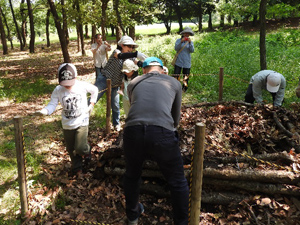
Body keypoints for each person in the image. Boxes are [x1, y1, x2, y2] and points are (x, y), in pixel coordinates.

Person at [123, 57, 189, 225]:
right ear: (161, 69)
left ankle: (132, 217)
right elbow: (175, 119)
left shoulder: (134, 82)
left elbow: (134, 107)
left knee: (132, 175)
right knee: (178, 181)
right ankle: (181, 222)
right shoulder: (174, 83)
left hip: (133, 131)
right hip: (162, 132)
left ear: (144, 70)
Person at [34, 63, 98, 176]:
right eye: (65, 84)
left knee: (80, 147)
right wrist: (45, 111)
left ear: (75, 78)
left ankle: (86, 150)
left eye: (70, 83)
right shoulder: (58, 90)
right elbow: (52, 104)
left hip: (82, 120)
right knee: (70, 148)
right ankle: (77, 168)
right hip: (67, 123)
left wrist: (91, 104)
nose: (67, 86)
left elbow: (95, 90)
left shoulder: (81, 85)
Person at [94, 35, 147, 131]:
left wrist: (147, 64)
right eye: (129, 46)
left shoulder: (130, 57)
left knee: (115, 105)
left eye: (132, 47)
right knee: (94, 98)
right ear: (122, 45)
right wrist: (135, 54)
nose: (131, 49)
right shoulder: (116, 52)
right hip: (104, 79)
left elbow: (137, 62)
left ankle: (116, 123)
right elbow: (120, 56)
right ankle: (81, 117)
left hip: (115, 84)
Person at [173, 27, 195, 92]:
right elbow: (176, 48)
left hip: (187, 61)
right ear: (183, 34)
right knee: (176, 75)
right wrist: (181, 42)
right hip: (178, 61)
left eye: (188, 34)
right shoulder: (178, 40)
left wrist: (190, 43)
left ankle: (184, 89)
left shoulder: (191, 42)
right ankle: (175, 88)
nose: (187, 35)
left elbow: (192, 50)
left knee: (186, 76)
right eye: (186, 33)